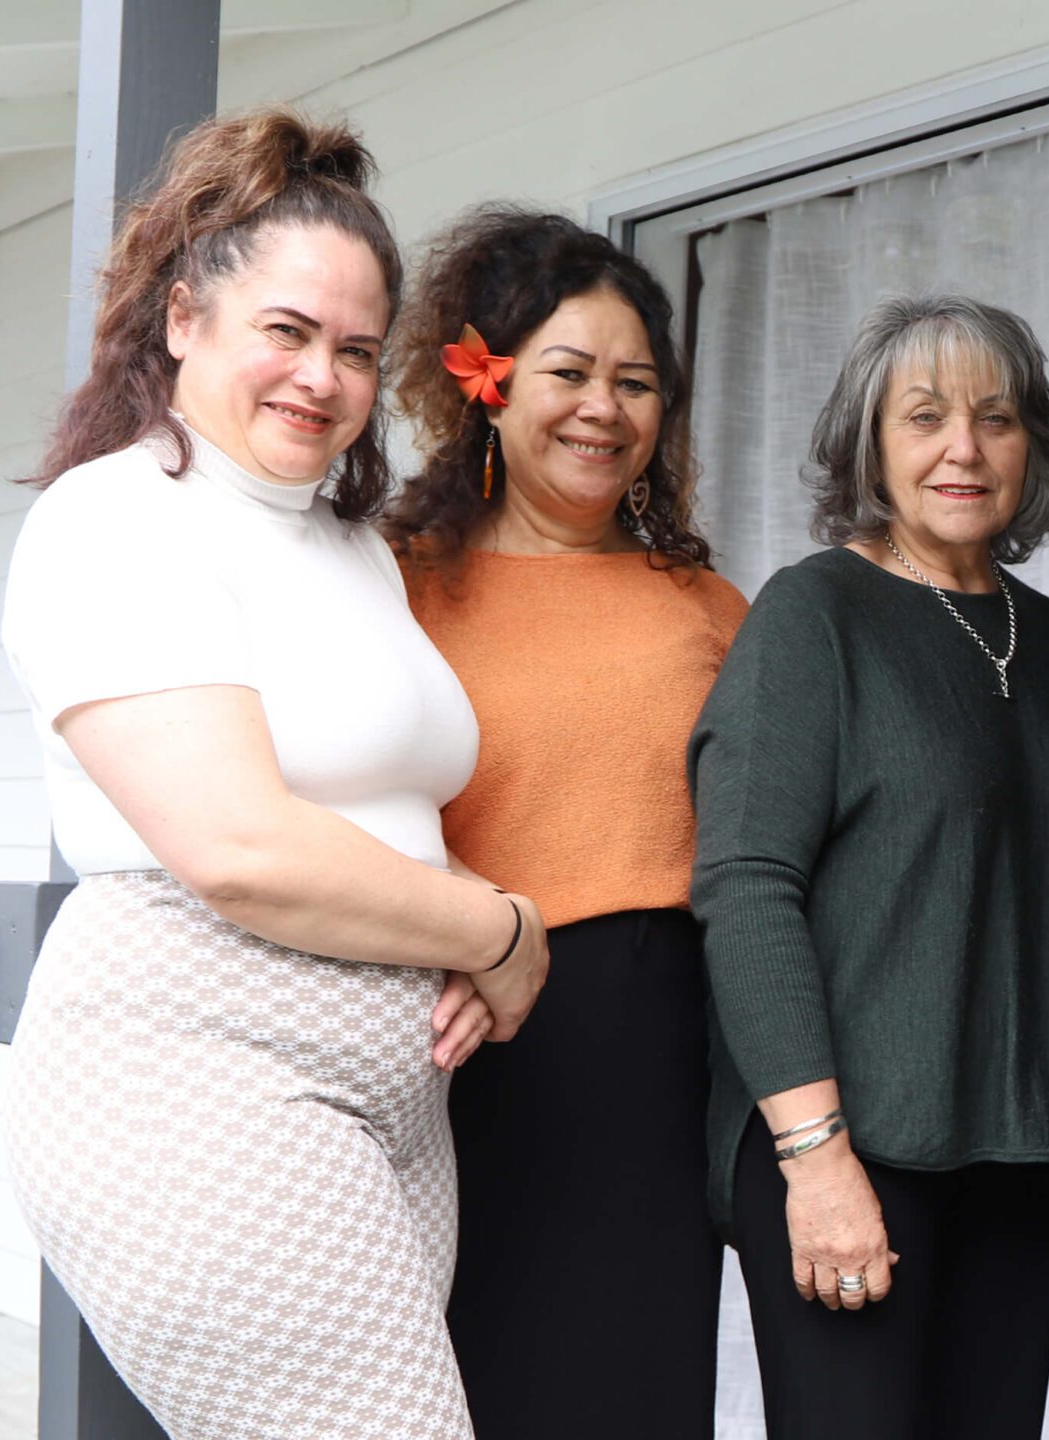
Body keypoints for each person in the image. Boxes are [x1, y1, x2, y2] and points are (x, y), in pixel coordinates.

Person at [0, 109, 550, 1440]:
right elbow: (238, 845)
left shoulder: (347, 545)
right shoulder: (118, 517)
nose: (323, 377)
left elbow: (376, 806)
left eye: (357, 350)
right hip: (197, 1077)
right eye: (287, 332)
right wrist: (499, 931)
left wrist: (441, 929)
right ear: (184, 320)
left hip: (391, 1105)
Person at [689, 294, 1049, 1440]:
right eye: (924, 417)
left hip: (1016, 1154)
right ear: (872, 445)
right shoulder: (815, 615)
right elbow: (746, 887)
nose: (962, 448)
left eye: (996, 417)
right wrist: (816, 1163)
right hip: (850, 1148)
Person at [384, 206, 746, 1437]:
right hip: (453, 1045)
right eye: (570, 372)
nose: (605, 408)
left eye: (636, 382)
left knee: (633, 1392)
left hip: (663, 1055)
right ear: (486, 382)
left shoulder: (708, 606)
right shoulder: (393, 583)